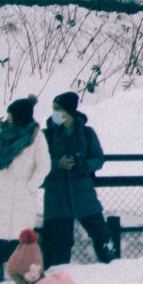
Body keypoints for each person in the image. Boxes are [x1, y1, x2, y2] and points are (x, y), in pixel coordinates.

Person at [0, 97, 49, 284]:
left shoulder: (36, 137)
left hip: (22, 193)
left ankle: (18, 268)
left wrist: (30, 186)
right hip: (1, 190)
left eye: (11, 114)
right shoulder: (3, 135)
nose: (8, 118)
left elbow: (44, 165)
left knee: (20, 232)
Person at [41, 92, 111, 267]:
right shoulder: (47, 135)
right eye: (53, 109)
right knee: (59, 246)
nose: (54, 113)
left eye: (58, 109)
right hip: (56, 197)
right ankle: (57, 282)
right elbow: (38, 162)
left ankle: (112, 270)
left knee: (101, 236)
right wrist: (57, 163)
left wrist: (83, 164)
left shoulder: (86, 133)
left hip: (83, 194)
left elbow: (98, 159)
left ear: (68, 110)